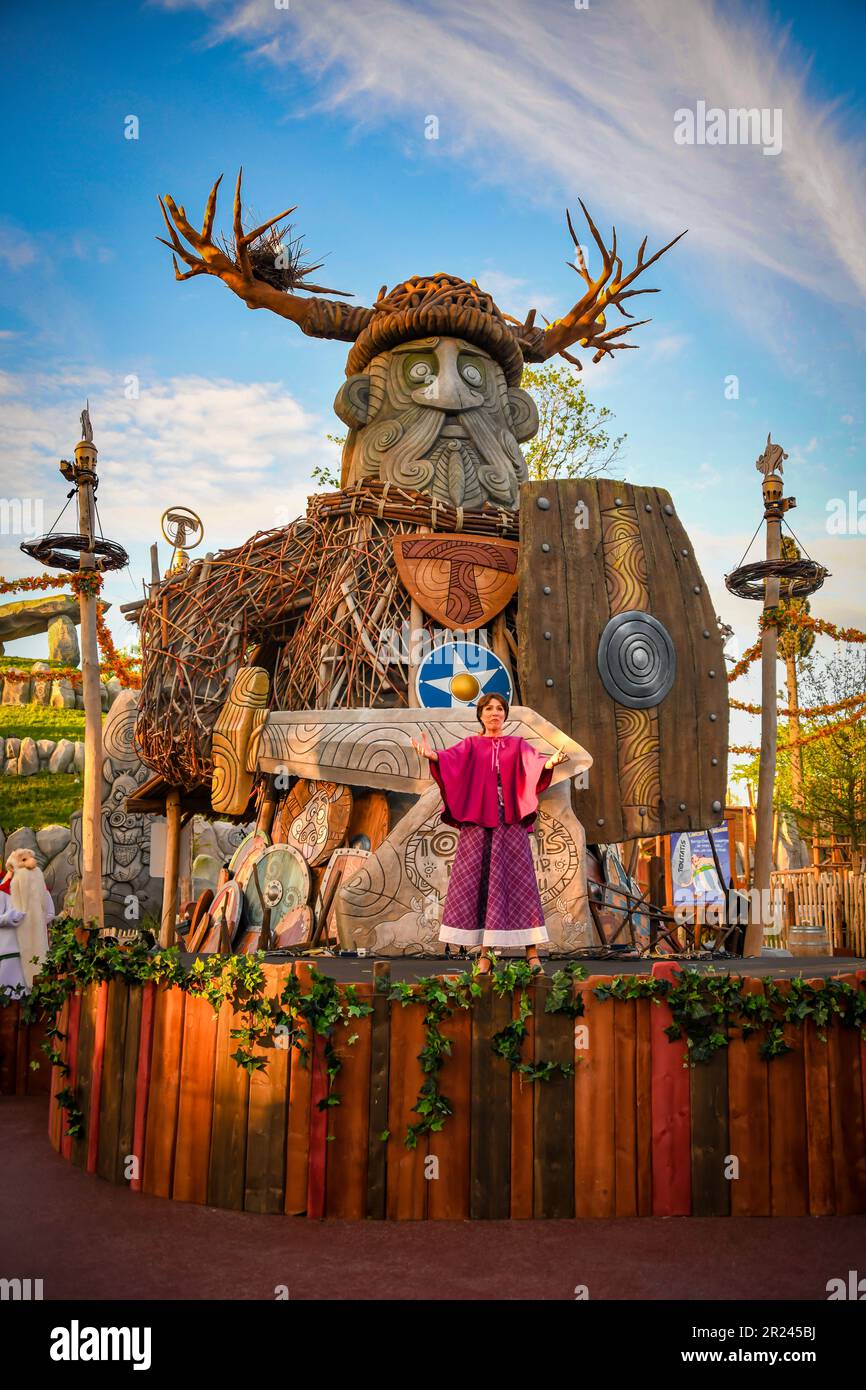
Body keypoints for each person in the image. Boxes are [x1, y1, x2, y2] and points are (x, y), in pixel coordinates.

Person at [411, 692, 567, 974]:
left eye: (499, 709)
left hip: (510, 821)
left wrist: (550, 763)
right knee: (482, 882)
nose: (494, 713)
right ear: (480, 715)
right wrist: (431, 755)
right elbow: (449, 761)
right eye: (489, 709)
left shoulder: (517, 744)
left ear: (505, 714)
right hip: (479, 822)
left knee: (520, 882)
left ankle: (532, 955)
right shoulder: (471, 745)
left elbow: (535, 765)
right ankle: (484, 956)